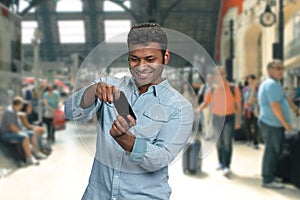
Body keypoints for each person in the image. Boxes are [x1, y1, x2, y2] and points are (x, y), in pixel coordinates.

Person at [65, 22, 194, 199]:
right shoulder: (111, 85)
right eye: (135, 59)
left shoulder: (180, 107)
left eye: (150, 59)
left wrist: (123, 138)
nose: (141, 67)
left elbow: (159, 159)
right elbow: (70, 112)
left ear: (165, 57)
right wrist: (92, 91)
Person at [196, 66, 242, 177]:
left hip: (229, 118)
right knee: (219, 142)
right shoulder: (212, 89)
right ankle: (221, 162)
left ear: (226, 75)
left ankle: (227, 165)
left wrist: (238, 120)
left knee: (227, 142)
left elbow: (239, 106)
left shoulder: (233, 88)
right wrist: (197, 109)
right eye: (218, 74)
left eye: (222, 74)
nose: (220, 76)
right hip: (216, 118)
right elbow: (206, 102)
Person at [258, 59, 293, 189]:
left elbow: (283, 100)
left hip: (273, 124)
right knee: (272, 151)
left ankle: (271, 174)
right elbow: (275, 106)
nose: (281, 71)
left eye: (282, 68)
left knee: (275, 150)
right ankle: (267, 179)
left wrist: (294, 109)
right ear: (269, 70)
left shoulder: (275, 84)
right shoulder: (271, 84)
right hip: (272, 124)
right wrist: (286, 124)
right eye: (278, 68)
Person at [0, 96, 40, 165]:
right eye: (21, 105)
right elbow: (12, 127)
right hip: (7, 133)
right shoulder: (10, 111)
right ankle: (29, 158)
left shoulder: (14, 110)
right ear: (18, 104)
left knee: (32, 133)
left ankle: (35, 152)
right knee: (25, 137)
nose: (21, 107)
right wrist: (22, 133)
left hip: (13, 131)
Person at [243, 74, 259, 149]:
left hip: (255, 109)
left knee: (255, 125)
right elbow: (246, 100)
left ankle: (255, 141)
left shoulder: (257, 88)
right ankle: (249, 139)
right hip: (247, 109)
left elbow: (256, 99)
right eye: (249, 79)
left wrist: (253, 99)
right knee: (247, 125)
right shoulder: (245, 89)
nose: (250, 81)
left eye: (252, 79)